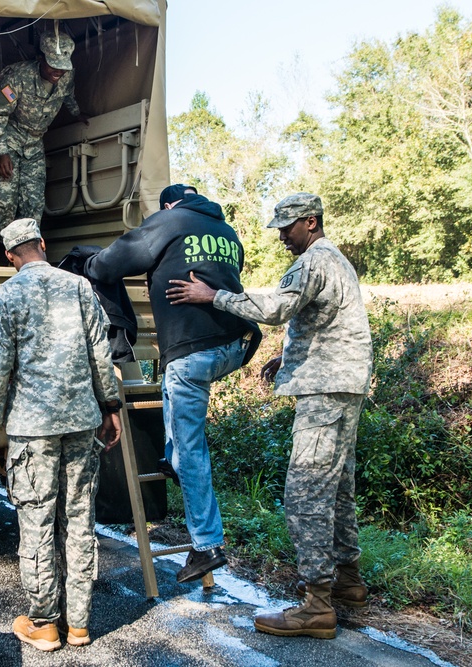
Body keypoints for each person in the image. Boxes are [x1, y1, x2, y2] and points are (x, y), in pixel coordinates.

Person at [165, 192, 373, 639]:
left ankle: (317, 605)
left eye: (288, 226)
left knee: (306, 494)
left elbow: (277, 308)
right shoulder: (333, 261)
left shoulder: (314, 260)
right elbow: (322, 320)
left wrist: (212, 294)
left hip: (326, 391)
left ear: (311, 222)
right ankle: (349, 582)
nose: (281, 236)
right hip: (340, 385)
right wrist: (288, 355)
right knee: (337, 490)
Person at [83, 184, 256, 584]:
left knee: (190, 449)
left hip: (191, 354)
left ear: (168, 206)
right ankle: (170, 459)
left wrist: (88, 265)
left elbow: (112, 262)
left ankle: (207, 544)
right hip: (232, 347)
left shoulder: (169, 220)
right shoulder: (227, 232)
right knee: (179, 439)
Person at [0, 218, 122, 651]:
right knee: (79, 520)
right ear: (42, 243)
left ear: (9, 256)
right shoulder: (79, 288)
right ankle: (79, 624)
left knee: (37, 521)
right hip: (80, 422)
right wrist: (110, 407)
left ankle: (44, 624)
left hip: (32, 430)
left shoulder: (7, 294)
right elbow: (102, 354)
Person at [0, 32, 89, 266]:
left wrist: (77, 113)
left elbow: (67, 96)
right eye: (53, 66)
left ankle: (22, 257)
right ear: (40, 58)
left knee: (33, 204)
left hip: (34, 143)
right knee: (4, 201)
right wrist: (2, 152)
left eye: (63, 67)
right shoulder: (17, 78)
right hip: (5, 140)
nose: (59, 72)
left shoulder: (65, 76)